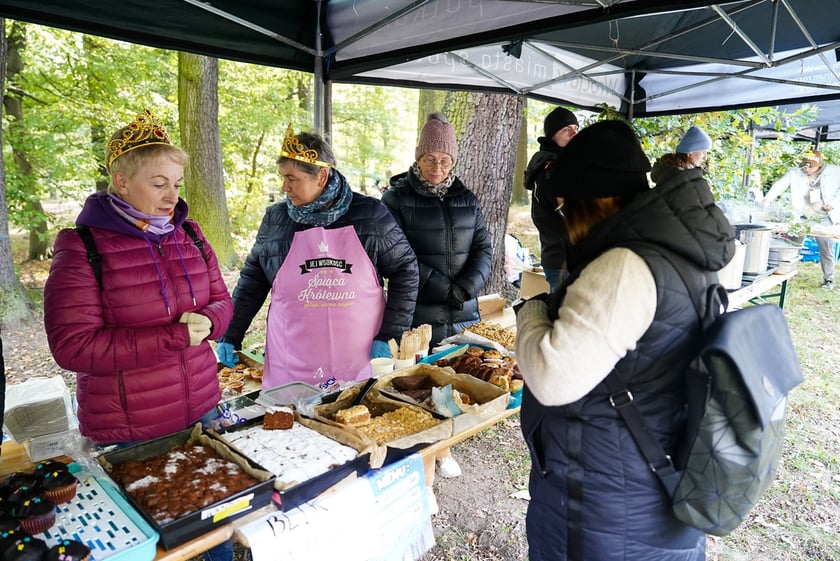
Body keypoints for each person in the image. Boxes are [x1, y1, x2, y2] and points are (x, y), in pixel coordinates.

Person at [514, 120, 734, 561]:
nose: (564, 219)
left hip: (608, 507)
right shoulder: (677, 248)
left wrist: (533, 309)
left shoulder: (625, 266)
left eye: (567, 206)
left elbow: (551, 375)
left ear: (590, 203)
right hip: (646, 483)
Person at [43, 110, 234, 561]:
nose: (172, 196)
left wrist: (211, 320)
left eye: (177, 183)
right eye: (158, 183)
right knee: (157, 543)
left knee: (214, 526)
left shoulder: (190, 233)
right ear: (121, 181)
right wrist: (175, 337)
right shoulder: (81, 246)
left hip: (201, 410)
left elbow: (222, 301)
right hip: (130, 430)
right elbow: (73, 346)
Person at [215, 127, 418, 389]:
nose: (284, 187)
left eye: (292, 178)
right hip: (292, 360)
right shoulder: (276, 220)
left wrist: (391, 333)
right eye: (283, 177)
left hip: (360, 358)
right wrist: (231, 332)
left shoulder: (370, 215)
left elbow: (406, 270)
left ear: (321, 176)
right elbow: (253, 280)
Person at [382, 112, 492, 485]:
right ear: (417, 157)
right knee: (421, 384)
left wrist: (469, 285)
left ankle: (447, 444)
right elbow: (397, 255)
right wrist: (446, 288)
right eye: (430, 158)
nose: (437, 167)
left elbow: (484, 248)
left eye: (445, 160)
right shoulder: (396, 198)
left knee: (456, 381)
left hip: (462, 309)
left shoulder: (466, 197)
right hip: (418, 310)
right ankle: (427, 453)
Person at [763, 149, 840, 289]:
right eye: (805, 166)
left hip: (823, 216)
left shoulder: (834, 171)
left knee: (826, 248)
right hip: (803, 215)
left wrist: (834, 204)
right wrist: (768, 198)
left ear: (819, 164)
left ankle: (829, 279)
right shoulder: (795, 172)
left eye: (811, 166)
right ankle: (786, 273)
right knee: (792, 244)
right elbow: (780, 184)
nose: (807, 169)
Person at [523, 106, 579, 292]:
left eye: (576, 128)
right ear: (552, 135)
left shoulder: (563, 164)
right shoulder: (551, 169)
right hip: (563, 260)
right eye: (566, 130)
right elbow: (574, 214)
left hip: (566, 256)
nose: (573, 133)